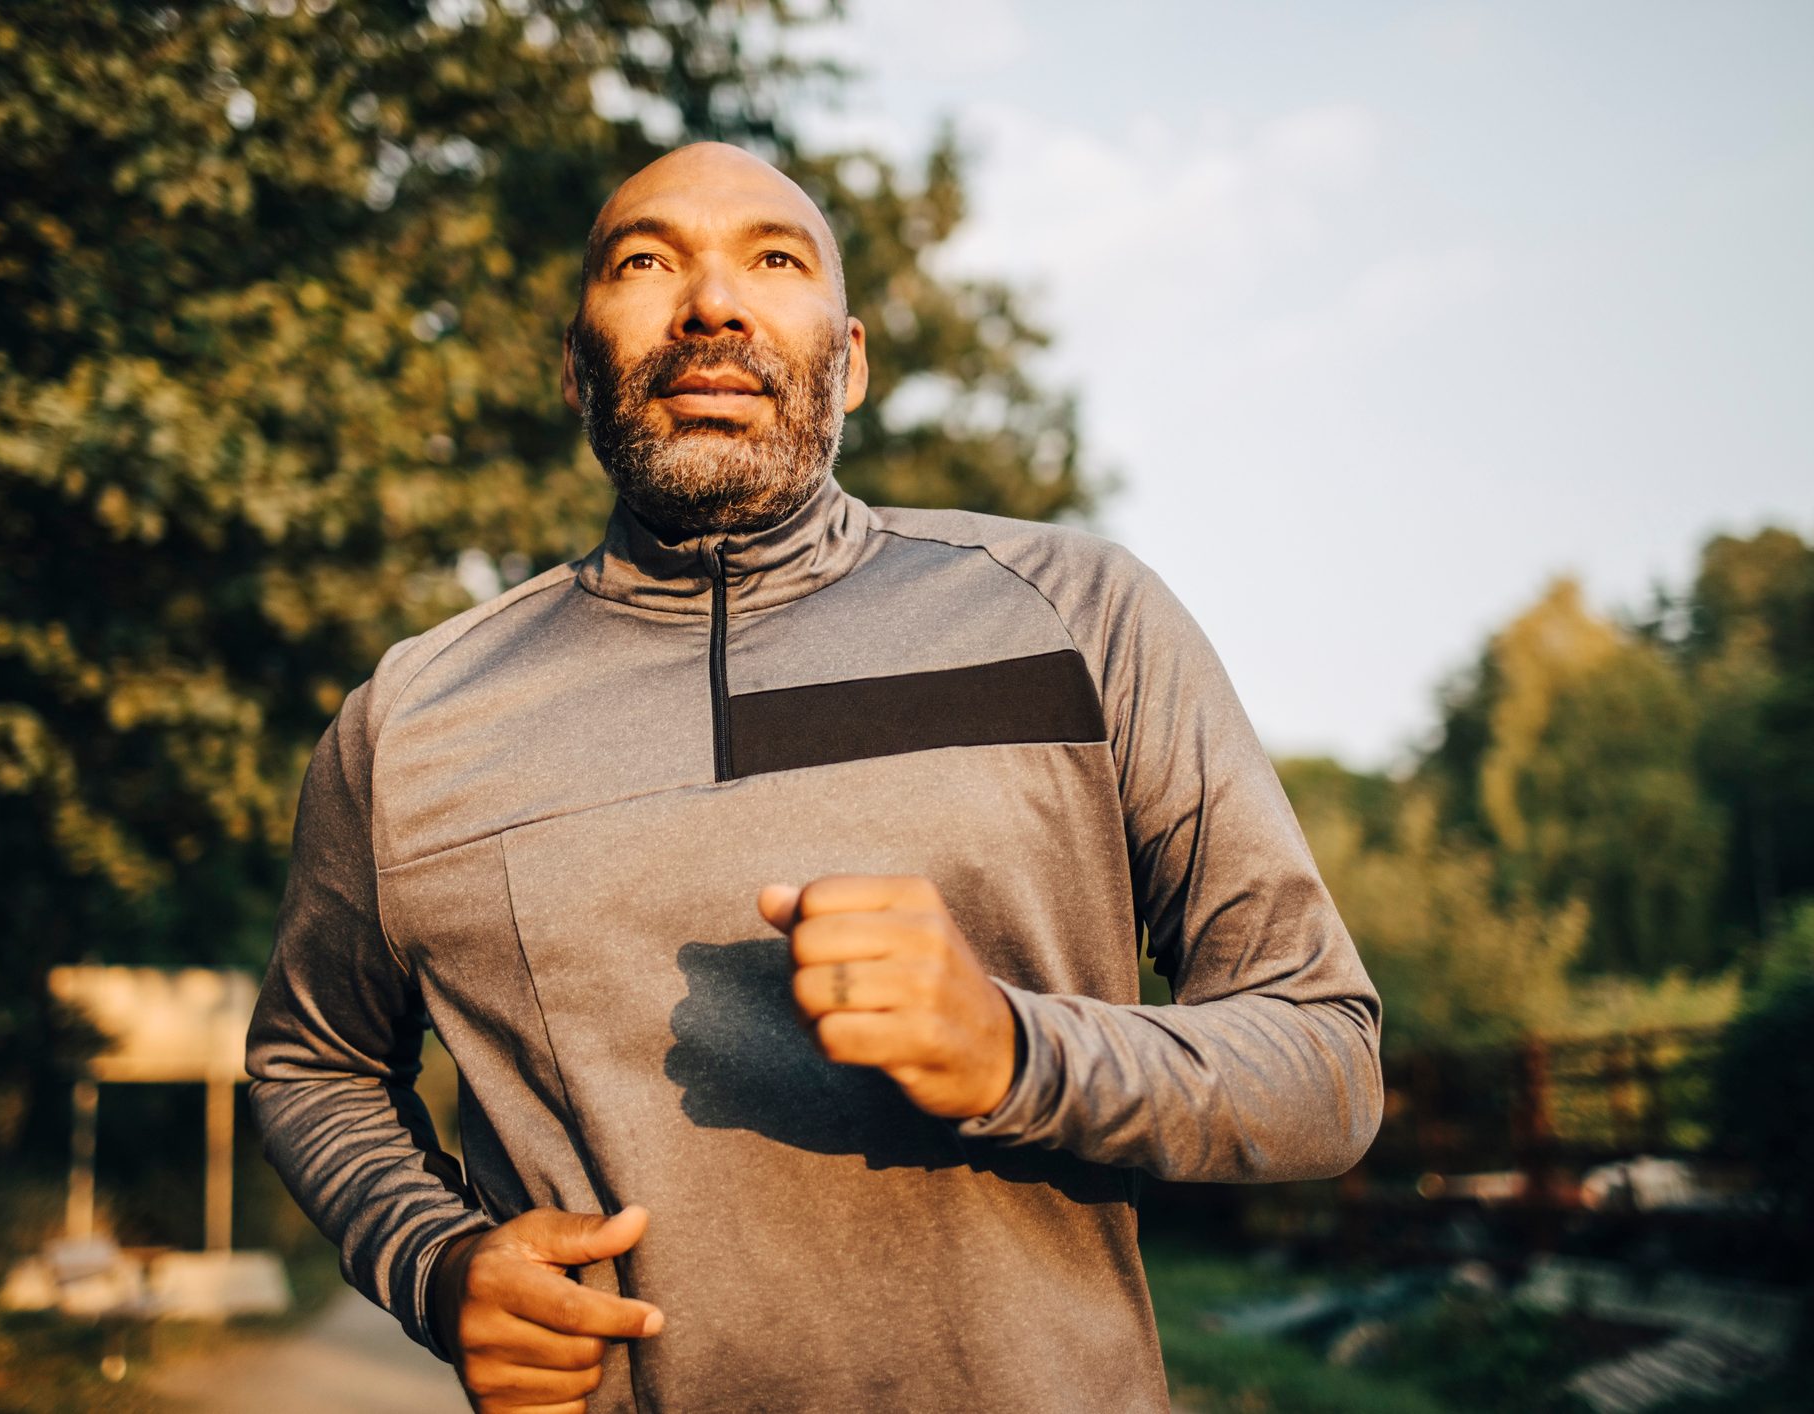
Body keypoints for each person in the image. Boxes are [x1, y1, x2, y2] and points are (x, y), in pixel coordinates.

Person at [247, 142, 1383, 1413]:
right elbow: (313, 1063)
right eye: (646, 261)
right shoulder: (411, 721)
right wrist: (436, 1259)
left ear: (848, 363)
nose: (712, 303)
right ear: (576, 367)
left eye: (772, 258)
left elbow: (1323, 1064)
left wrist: (1016, 1051)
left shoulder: (1080, 613)